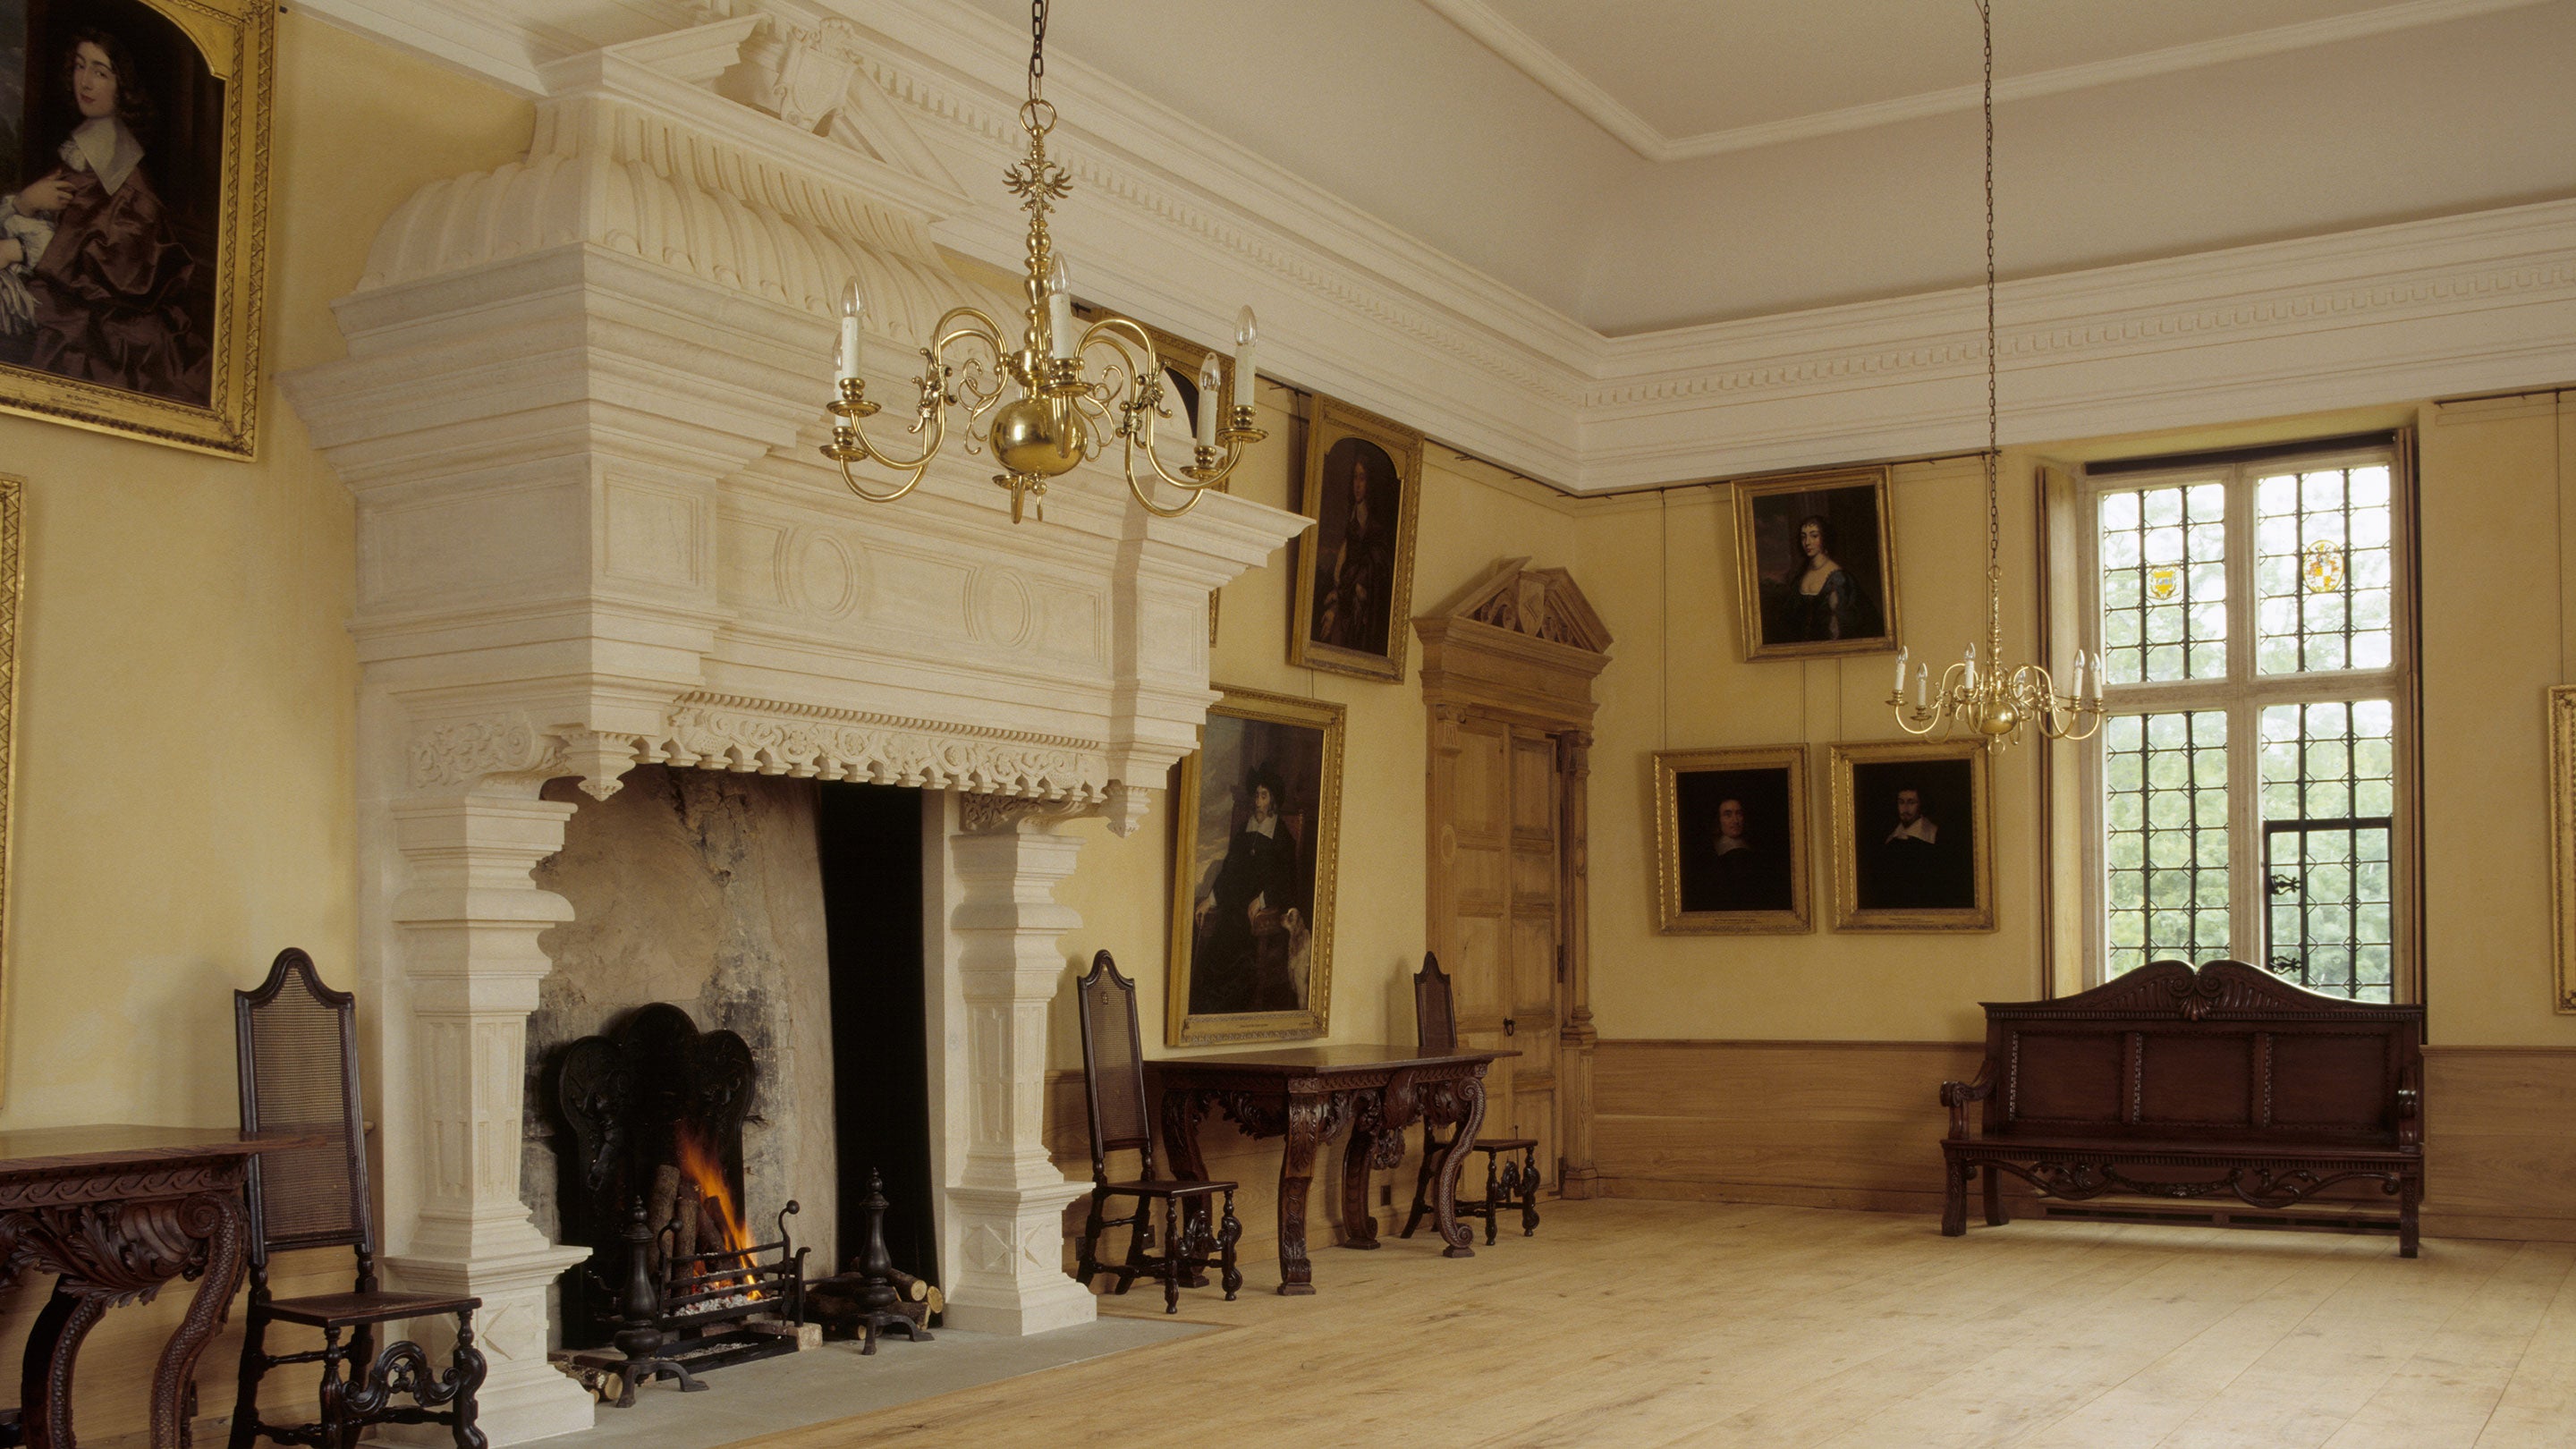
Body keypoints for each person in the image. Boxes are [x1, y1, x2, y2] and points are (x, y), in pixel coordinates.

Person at [0, 28, 210, 402]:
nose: (85, 81)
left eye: (101, 71)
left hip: (106, 315)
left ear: (121, 85)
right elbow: (63, 217)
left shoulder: (124, 169)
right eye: (80, 67)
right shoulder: (83, 146)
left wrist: (18, 250)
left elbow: (122, 263)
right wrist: (25, 204)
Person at [1189, 765, 1308, 1014]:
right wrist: (1210, 899)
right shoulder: (1245, 829)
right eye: (1256, 795)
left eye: (1263, 795)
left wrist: (1262, 900)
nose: (1258, 800)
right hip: (1233, 905)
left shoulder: (1282, 836)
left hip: (1260, 911)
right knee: (1219, 942)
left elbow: (1285, 878)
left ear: (1272, 800)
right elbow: (1230, 869)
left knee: (1239, 946)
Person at [1313, 448, 1394, 655]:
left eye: (1362, 478)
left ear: (1370, 483)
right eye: (1355, 478)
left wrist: (1345, 590)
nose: (1357, 485)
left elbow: (1374, 566)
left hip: (1360, 604)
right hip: (1348, 595)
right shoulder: (1353, 520)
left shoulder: (1374, 528)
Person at [1680, 796, 1791, 914]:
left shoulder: (1756, 851)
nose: (1735, 821)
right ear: (1718, 820)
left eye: (1739, 814)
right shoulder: (1707, 855)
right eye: (1728, 815)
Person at [1870, 786, 1970, 910]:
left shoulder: (1936, 838)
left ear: (1922, 805)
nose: (1905, 808)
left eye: (1911, 802)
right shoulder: (1891, 840)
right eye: (1901, 802)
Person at [1779, 514, 1874, 642]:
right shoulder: (1800, 575)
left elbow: (1840, 628)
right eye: (1803, 537)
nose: (1807, 542)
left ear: (1825, 538)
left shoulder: (1838, 578)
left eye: (1814, 536)